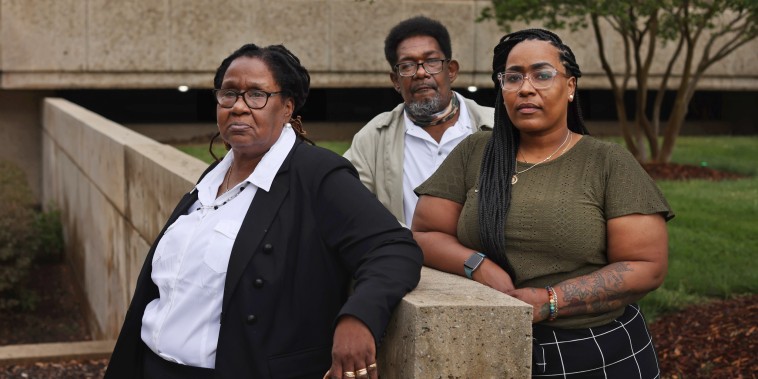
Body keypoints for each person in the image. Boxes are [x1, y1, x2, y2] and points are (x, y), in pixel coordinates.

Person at [104, 43, 423, 379]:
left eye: (256, 95)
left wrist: (358, 317)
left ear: (287, 107)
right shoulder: (212, 177)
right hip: (149, 365)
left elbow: (393, 247)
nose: (239, 107)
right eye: (229, 93)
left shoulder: (316, 174)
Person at [412, 29, 674, 378]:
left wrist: (550, 301)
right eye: (513, 77)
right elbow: (426, 233)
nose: (526, 88)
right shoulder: (474, 152)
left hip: (593, 348)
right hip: (483, 341)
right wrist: (479, 265)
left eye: (542, 74)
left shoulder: (607, 162)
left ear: (570, 87)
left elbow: (646, 265)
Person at [344, 16, 494, 227]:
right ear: (396, 80)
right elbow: (349, 205)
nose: (421, 73)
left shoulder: (496, 127)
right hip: (406, 257)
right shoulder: (372, 138)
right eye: (407, 65)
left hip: (484, 259)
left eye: (432, 62)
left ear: (451, 71)